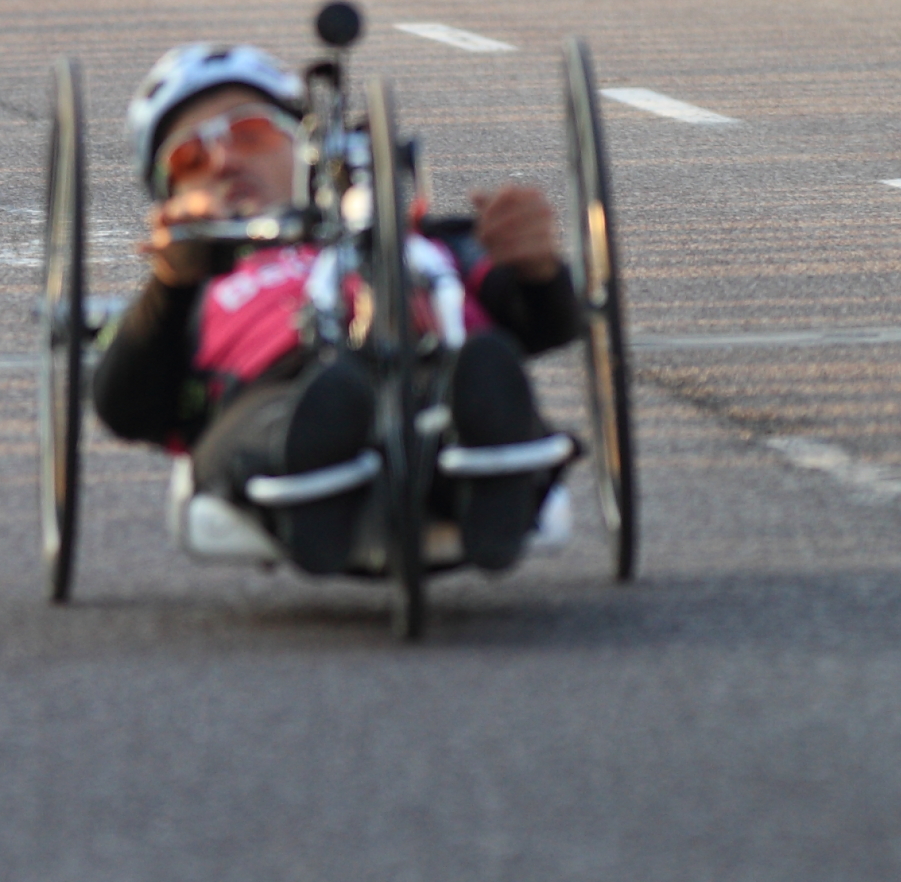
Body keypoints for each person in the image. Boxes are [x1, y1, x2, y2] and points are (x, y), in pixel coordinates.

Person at [91, 44, 581, 577]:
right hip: (274, 396)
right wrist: (172, 283)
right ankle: (318, 478)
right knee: (297, 413)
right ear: (168, 197)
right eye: (191, 158)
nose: (225, 160)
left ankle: (490, 479)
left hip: (437, 372)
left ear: (306, 148)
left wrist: (539, 273)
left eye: (250, 132)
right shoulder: (183, 292)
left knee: (483, 375)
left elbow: (545, 325)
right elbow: (126, 408)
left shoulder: (420, 238)